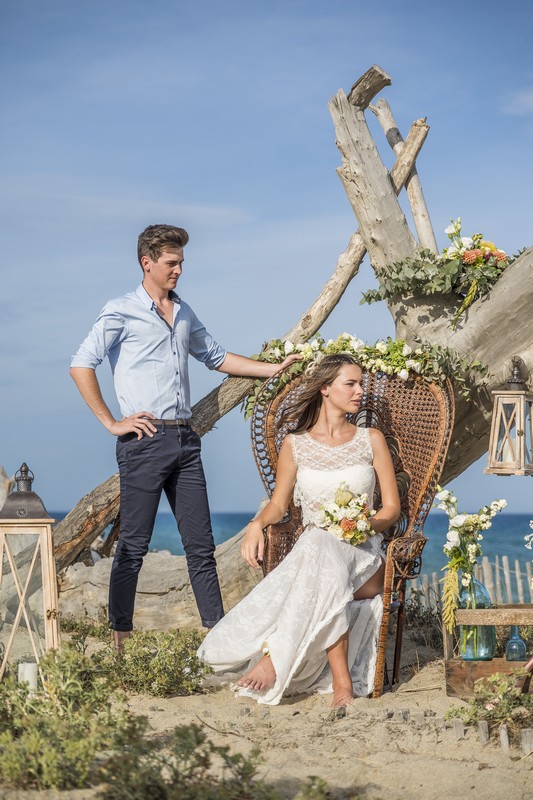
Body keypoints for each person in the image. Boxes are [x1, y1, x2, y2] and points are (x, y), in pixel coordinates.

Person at [69, 223, 298, 649]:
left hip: (186, 441)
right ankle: (121, 639)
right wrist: (112, 423)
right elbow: (81, 364)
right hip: (144, 441)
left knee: (200, 546)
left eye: (181, 263)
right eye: (171, 263)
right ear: (147, 262)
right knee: (133, 546)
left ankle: (218, 636)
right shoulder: (120, 310)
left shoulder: (184, 311)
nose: (178, 270)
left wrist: (273, 369)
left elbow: (216, 356)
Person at [197, 354, 401, 707]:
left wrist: (362, 526)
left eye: (361, 383)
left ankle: (273, 659)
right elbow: (278, 504)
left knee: (319, 546)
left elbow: (392, 509)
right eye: (351, 384)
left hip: (365, 558)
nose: (360, 391)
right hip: (319, 555)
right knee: (319, 543)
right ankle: (341, 685)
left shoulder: (371, 439)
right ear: (325, 389)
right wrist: (256, 524)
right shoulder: (295, 444)